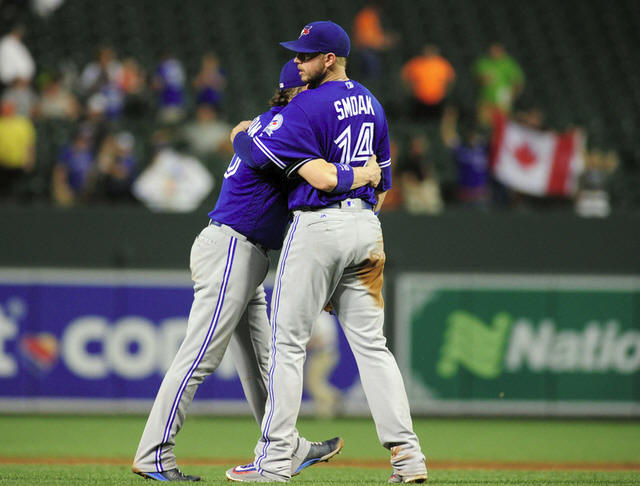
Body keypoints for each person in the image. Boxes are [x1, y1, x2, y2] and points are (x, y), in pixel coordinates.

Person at [131, 59, 381, 482]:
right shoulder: (284, 130)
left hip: (243, 252)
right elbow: (323, 178)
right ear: (298, 92)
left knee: (262, 362)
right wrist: (365, 173)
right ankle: (154, 452)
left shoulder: (271, 126)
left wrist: (240, 133)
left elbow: (251, 143)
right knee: (199, 356)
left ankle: (286, 446)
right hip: (232, 246)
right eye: (312, 87)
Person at [226, 21, 428, 484]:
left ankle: (274, 461)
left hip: (318, 224)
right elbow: (382, 184)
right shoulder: (373, 103)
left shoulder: (308, 105)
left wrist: (239, 133)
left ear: (329, 59)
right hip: (367, 227)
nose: (297, 62)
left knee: (286, 344)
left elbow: (256, 154)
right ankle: (408, 457)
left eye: (305, 55)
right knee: (373, 347)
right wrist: (357, 225)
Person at [401, 44, 455, 125]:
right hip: (419, 100)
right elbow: (405, 76)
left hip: (438, 100)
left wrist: (445, 92)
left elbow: (451, 80)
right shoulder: (416, 63)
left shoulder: (443, 64)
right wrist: (410, 90)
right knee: (417, 123)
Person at [473, 43, 524, 127]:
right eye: (492, 49)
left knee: (501, 127)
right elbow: (476, 78)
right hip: (486, 102)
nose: (494, 51)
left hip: (502, 104)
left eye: (496, 49)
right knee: (484, 125)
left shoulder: (509, 64)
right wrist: (482, 80)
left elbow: (518, 82)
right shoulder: (483, 62)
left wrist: (512, 95)